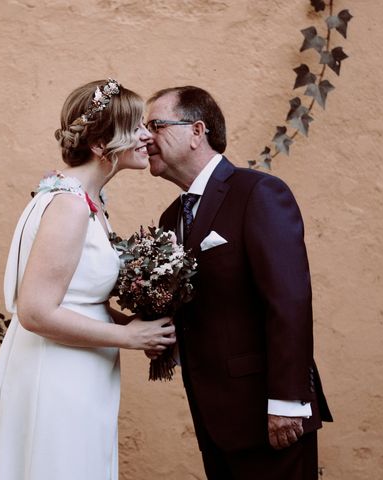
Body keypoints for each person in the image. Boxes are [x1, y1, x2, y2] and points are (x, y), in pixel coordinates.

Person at [0, 79, 176, 480]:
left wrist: (132, 324)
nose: (146, 135)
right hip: (58, 374)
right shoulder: (69, 206)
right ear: (100, 144)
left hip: (79, 369)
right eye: (134, 127)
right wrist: (129, 338)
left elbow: (78, 299)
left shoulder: (84, 198)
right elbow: (35, 311)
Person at [145, 86, 332, 480]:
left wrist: (286, 400)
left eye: (156, 125)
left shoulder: (258, 193)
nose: (146, 138)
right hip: (214, 418)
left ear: (198, 131)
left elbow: (289, 301)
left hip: (270, 415)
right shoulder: (170, 220)